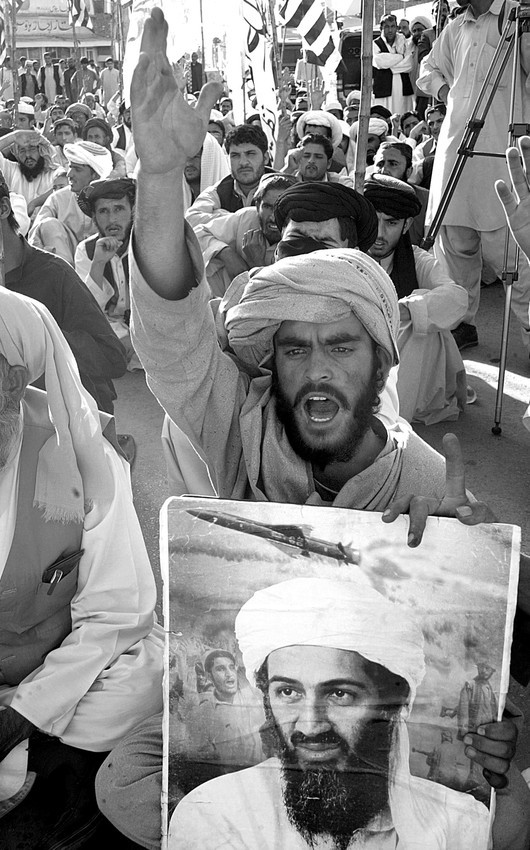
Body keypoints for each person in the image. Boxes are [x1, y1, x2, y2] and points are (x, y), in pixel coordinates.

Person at [167, 577, 529, 849]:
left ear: (393, 703)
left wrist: (506, 784)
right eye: (288, 692)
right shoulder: (214, 812)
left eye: (340, 693)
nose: (310, 725)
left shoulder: (456, 820)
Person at [0, 286, 163, 846]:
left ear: (16, 383)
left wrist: (25, 711)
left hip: (61, 669)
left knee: (148, 675)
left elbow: (117, 612)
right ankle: (51, 772)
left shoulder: (81, 455)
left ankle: (46, 765)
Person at [416, 0, 530, 353]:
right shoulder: (456, 26)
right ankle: (460, 324)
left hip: (502, 150)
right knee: (455, 247)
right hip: (455, 150)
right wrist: (445, 91)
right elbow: (428, 68)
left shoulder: (517, 15)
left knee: (515, 255)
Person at [0, 170, 127, 415]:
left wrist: (42, 336)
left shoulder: (54, 275)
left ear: (4, 207)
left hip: (60, 424)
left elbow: (112, 358)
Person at [364, 174, 468, 424]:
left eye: (390, 223)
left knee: (421, 308)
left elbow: (457, 298)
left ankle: (393, 417)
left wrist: (403, 310)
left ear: (407, 225)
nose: (379, 233)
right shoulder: (345, 251)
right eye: (373, 221)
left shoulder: (416, 258)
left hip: (403, 365)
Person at [192, 173, 296, 296]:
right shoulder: (246, 218)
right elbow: (198, 233)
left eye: (281, 208)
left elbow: (277, 298)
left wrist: (257, 264)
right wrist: (226, 254)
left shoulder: (301, 236)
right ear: (257, 206)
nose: (273, 217)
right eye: (267, 207)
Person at [74, 177, 140, 370]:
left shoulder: (147, 246)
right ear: (94, 216)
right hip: (109, 328)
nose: (112, 220)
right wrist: (99, 262)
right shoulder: (86, 250)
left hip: (147, 327)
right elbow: (87, 310)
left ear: (132, 211)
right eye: (103, 211)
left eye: (119, 209)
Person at [29, 140, 112, 265]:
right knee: (48, 224)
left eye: (77, 169)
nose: (69, 174)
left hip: (102, 264)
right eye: (70, 167)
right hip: (63, 268)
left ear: (95, 175)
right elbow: (35, 236)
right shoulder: (57, 199)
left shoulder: (112, 200)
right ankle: (68, 278)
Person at [186, 124, 272, 239]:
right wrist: (243, 218)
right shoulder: (220, 190)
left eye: (250, 154)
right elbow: (191, 220)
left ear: (265, 158)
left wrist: (218, 218)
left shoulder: (283, 187)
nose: (243, 162)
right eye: (235, 156)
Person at [182, 648, 264, 768]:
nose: (229, 674)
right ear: (209, 677)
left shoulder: (256, 697)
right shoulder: (204, 713)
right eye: (220, 669)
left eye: (231, 667)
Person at [374, 140, 429, 245]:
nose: (384, 170)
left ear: (409, 171)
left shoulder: (426, 200)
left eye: (393, 164)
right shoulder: (363, 196)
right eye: (380, 164)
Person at [0, 130, 56, 215]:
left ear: (41, 151)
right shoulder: (11, 169)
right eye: (22, 150)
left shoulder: (53, 172)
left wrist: (34, 203)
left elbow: (64, 186)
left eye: (32, 149)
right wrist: (14, 136)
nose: (27, 155)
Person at [372, 14, 414, 116]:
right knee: (384, 116)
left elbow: (409, 64)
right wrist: (400, 57)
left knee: (403, 116)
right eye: (387, 27)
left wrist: (388, 65)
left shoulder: (403, 42)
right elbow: (379, 62)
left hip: (403, 89)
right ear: (381, 28)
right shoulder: (375, 44)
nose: (390, 30)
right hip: (384, 90)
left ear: (396, 28)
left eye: (392, 26)